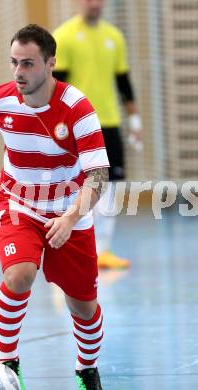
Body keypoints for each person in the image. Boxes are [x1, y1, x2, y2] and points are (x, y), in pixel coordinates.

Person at [0, 24, 109, 390]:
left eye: (28, 64)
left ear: (50, 64)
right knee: (18, 276)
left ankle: (86, 369)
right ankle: (7, 364)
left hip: (69, 208)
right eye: (14, 63)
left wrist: (70, 217)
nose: (19, 72)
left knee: (83, 305)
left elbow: (98, 175)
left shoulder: (77, 109)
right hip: (17, 202)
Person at [53, 0, 143, 269]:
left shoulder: (114, 37)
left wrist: (135, 121)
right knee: (75, 187)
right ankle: (68, 247)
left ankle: (102, 250)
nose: (94, 3)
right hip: (78, 126)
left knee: (110, 187)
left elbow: (123, 82)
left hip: (110, 123)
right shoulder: (64, 36)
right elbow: (57, 88)